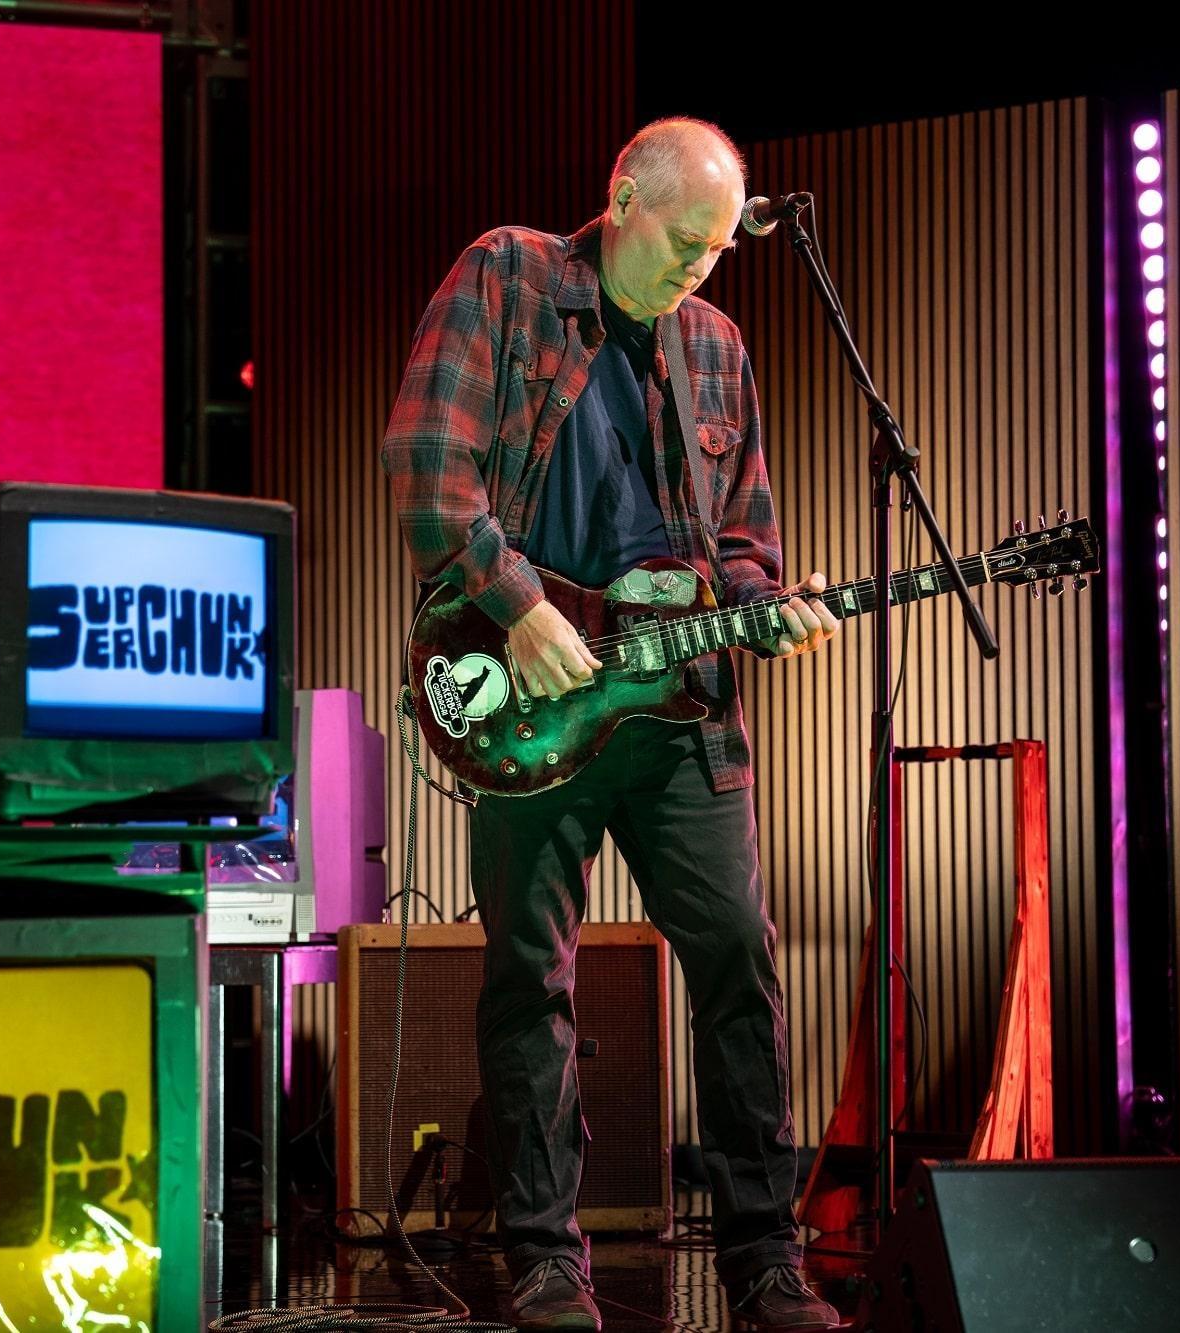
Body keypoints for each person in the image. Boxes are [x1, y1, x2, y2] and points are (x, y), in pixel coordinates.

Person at [382, 117, 842, 1332]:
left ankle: (762, 1255)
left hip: (675, 702)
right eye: (682, 239)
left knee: (740, 959)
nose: (697, 264)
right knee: (530, 975)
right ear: (622, 196)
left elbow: (741, 536)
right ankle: (543, 1254)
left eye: (713, 248)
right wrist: (519, 606)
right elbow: (427, 469)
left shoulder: (716, 346)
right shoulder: (513, 274)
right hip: (528, 688)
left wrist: (763, 607)